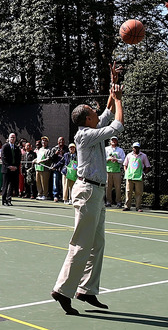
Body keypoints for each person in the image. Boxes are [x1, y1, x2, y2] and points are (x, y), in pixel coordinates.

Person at [51, 79, 124, 316]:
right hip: (88, 191)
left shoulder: (90, 129)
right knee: (81, 244)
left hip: (96, 192)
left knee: (97, 244)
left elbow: (106, 114)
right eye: (93, 113)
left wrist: (113, 91)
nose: (97, 113)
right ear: (86, 120)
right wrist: (120, 100)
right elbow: (116, 125)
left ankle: (87, 290)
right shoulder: (84, 136)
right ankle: (62, 290)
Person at [122, 142, 151, 212]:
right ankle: (127, 206)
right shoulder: (129, 155)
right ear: (132, 148)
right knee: (128, 192)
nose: (135, 149)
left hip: (139, 177)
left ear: (139, 148)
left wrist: (143, 173)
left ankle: (138, 207)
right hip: (129, 177)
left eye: (137, 147)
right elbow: (125, 164)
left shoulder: (143, 156)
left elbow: (148, 166)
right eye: (134, 147)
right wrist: (126, 172)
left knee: (139, 192)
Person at [1, 133, 21, 206]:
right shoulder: (5, 146)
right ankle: (4, 200)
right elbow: (3, 157)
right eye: (11, 137)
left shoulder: (16, 148)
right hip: (6, 169)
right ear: (9, 138)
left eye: (14, 137)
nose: (12, 139)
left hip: (14, 170)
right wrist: (9, 166)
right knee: (5, 185)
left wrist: (15, 167)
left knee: (11, 185)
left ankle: (9, 199)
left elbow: (18, 158)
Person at [105, 137, 125, 207]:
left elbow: (123, 160)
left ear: (117, 142)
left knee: (118, 187)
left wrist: (117, 160)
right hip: (108, 170)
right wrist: (108, 158)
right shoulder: (106, 149)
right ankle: (108, 202)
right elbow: (103, 158)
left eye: (115, 140)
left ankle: (118, 202)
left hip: (117, 171)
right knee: (108, 187)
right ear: (110, 141)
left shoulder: (120, 150)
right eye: (112, 140)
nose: (113, 141)